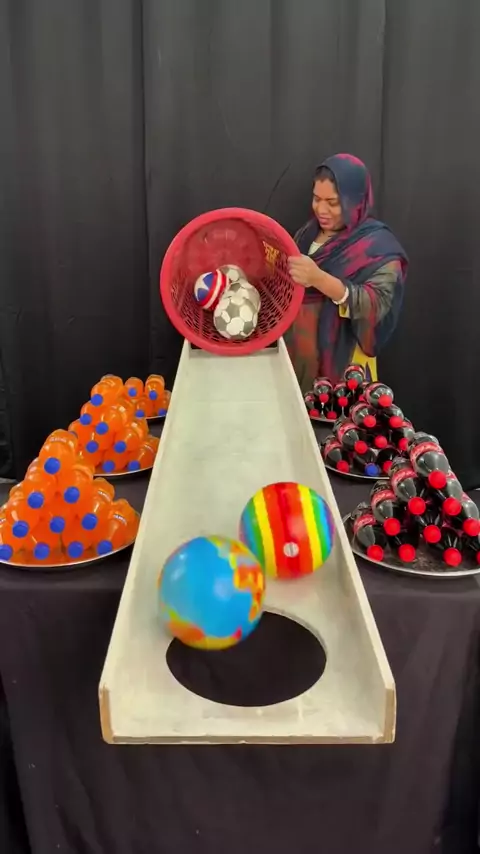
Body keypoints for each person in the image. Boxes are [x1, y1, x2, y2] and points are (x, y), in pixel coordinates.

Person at [286, 153, 408, 394]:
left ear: (356, 201)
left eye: (332, 203)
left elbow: (378, 304)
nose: (321, 210)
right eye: (316, 199)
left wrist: (319, 279)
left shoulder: (377, 246)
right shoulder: (307, 233)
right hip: (297, 362)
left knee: (338, 416)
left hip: (344, 370)